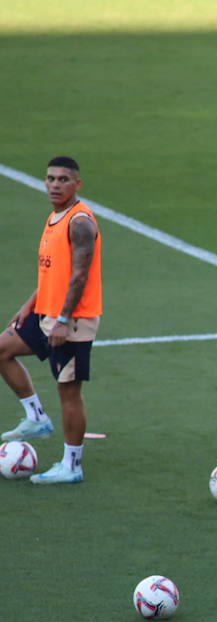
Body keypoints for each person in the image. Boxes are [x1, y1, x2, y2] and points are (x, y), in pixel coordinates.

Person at [1, 156, 102, 483]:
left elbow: (80, 276)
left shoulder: (79, 222)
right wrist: (30, 304)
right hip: (46, 311)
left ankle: (71, 466)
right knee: (2, 350)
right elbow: (53, 269)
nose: (55, 185)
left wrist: (61, 319)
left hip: (69, 320)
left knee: (68, 392)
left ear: (77, 184)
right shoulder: (56, 216)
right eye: (50, 179)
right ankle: (36, 417)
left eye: (62, 179)